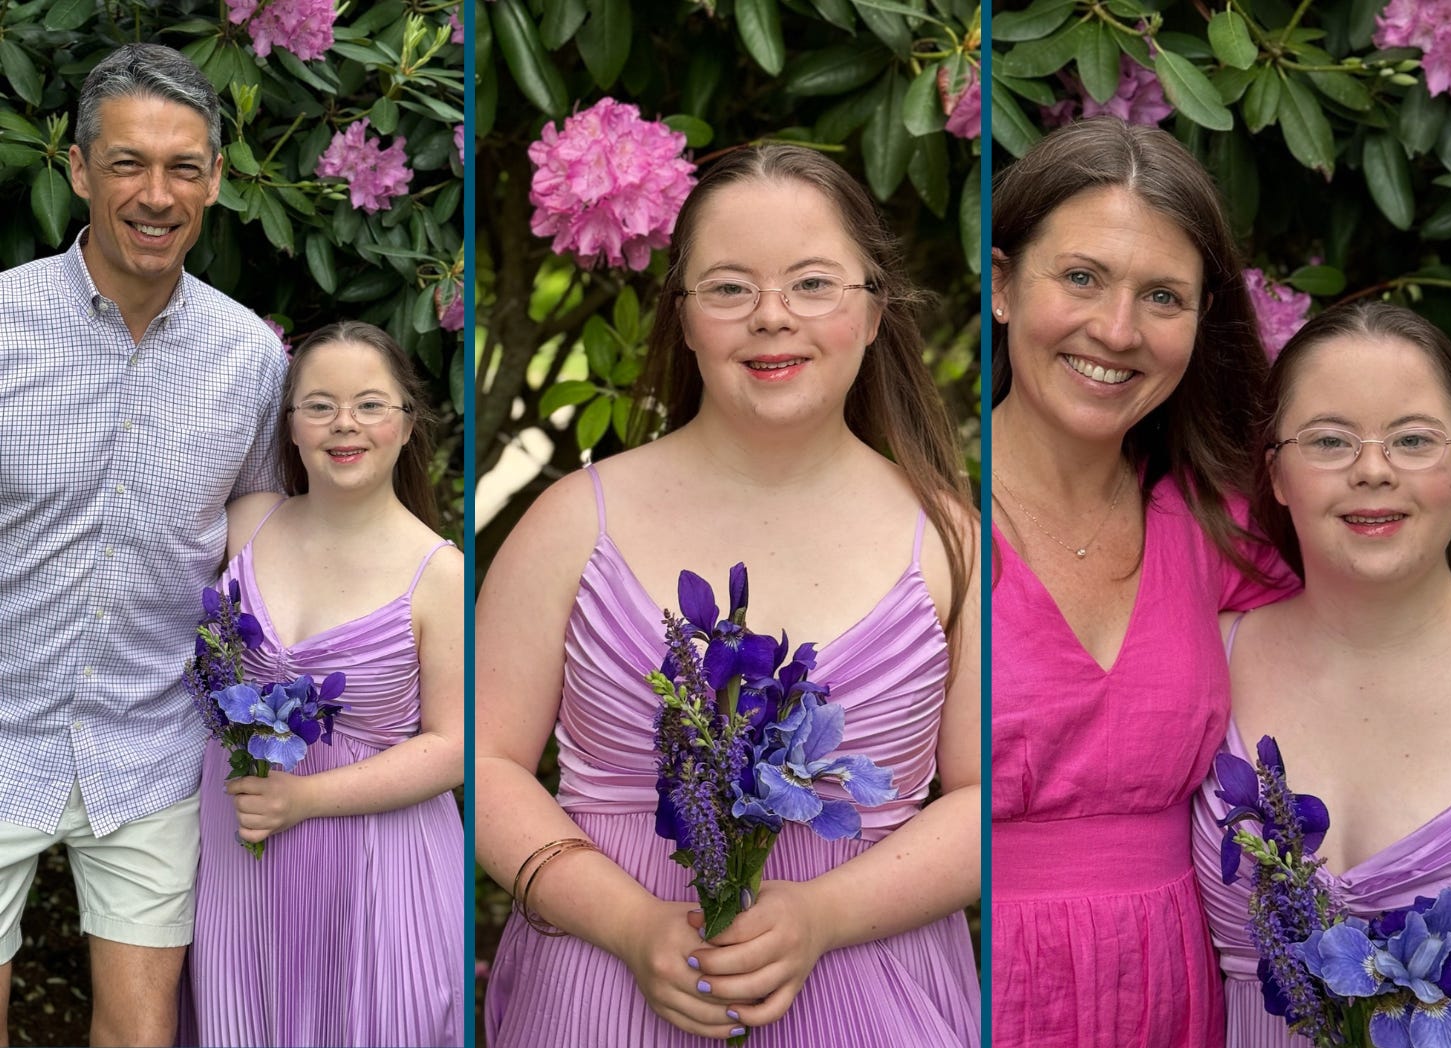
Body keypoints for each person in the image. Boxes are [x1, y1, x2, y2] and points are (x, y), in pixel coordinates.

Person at [475, 142, 979, 1046]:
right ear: (685, 319)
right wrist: (627, 923)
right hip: (604, 985)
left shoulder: (952, 543)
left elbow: (986, 800)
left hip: (868, 989)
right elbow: (483, 761)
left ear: (872, 314)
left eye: (814, 284)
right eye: (730, 287)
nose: (772, 317)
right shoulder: (569, 523)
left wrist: (824, 916)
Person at [988, 117, 1297, 1047]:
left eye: (1163, 296)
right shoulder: (913, 519)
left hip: (1176, 996)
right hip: (954, 980)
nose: (1116, 331)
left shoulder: (1222, 524)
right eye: (1080, 277)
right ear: (1001, 286)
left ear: (1203, 323)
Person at [0, 43, 286, 1046]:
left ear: (213, 179)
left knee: (141, 1029)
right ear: (77, 170)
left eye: (183, 167)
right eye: (127, 163)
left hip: (150, 743)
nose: (155, 194)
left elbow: (260, 538)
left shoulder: (250, 356)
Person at [182, 321, 465, 1046]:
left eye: (370, 404)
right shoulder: (247, 524)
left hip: (375, 865)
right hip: (242, 854)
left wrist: (303, 798)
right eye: (319, 405)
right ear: (292, 427)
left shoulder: (439, 575)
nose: (345, 424)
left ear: (408, 424)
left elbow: (456, 747)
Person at [1192, 302, 1451, 1046]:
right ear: (1275, 473)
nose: (1373, 469)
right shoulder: (1207, 660)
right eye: (1331, 440)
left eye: (1413, 439)